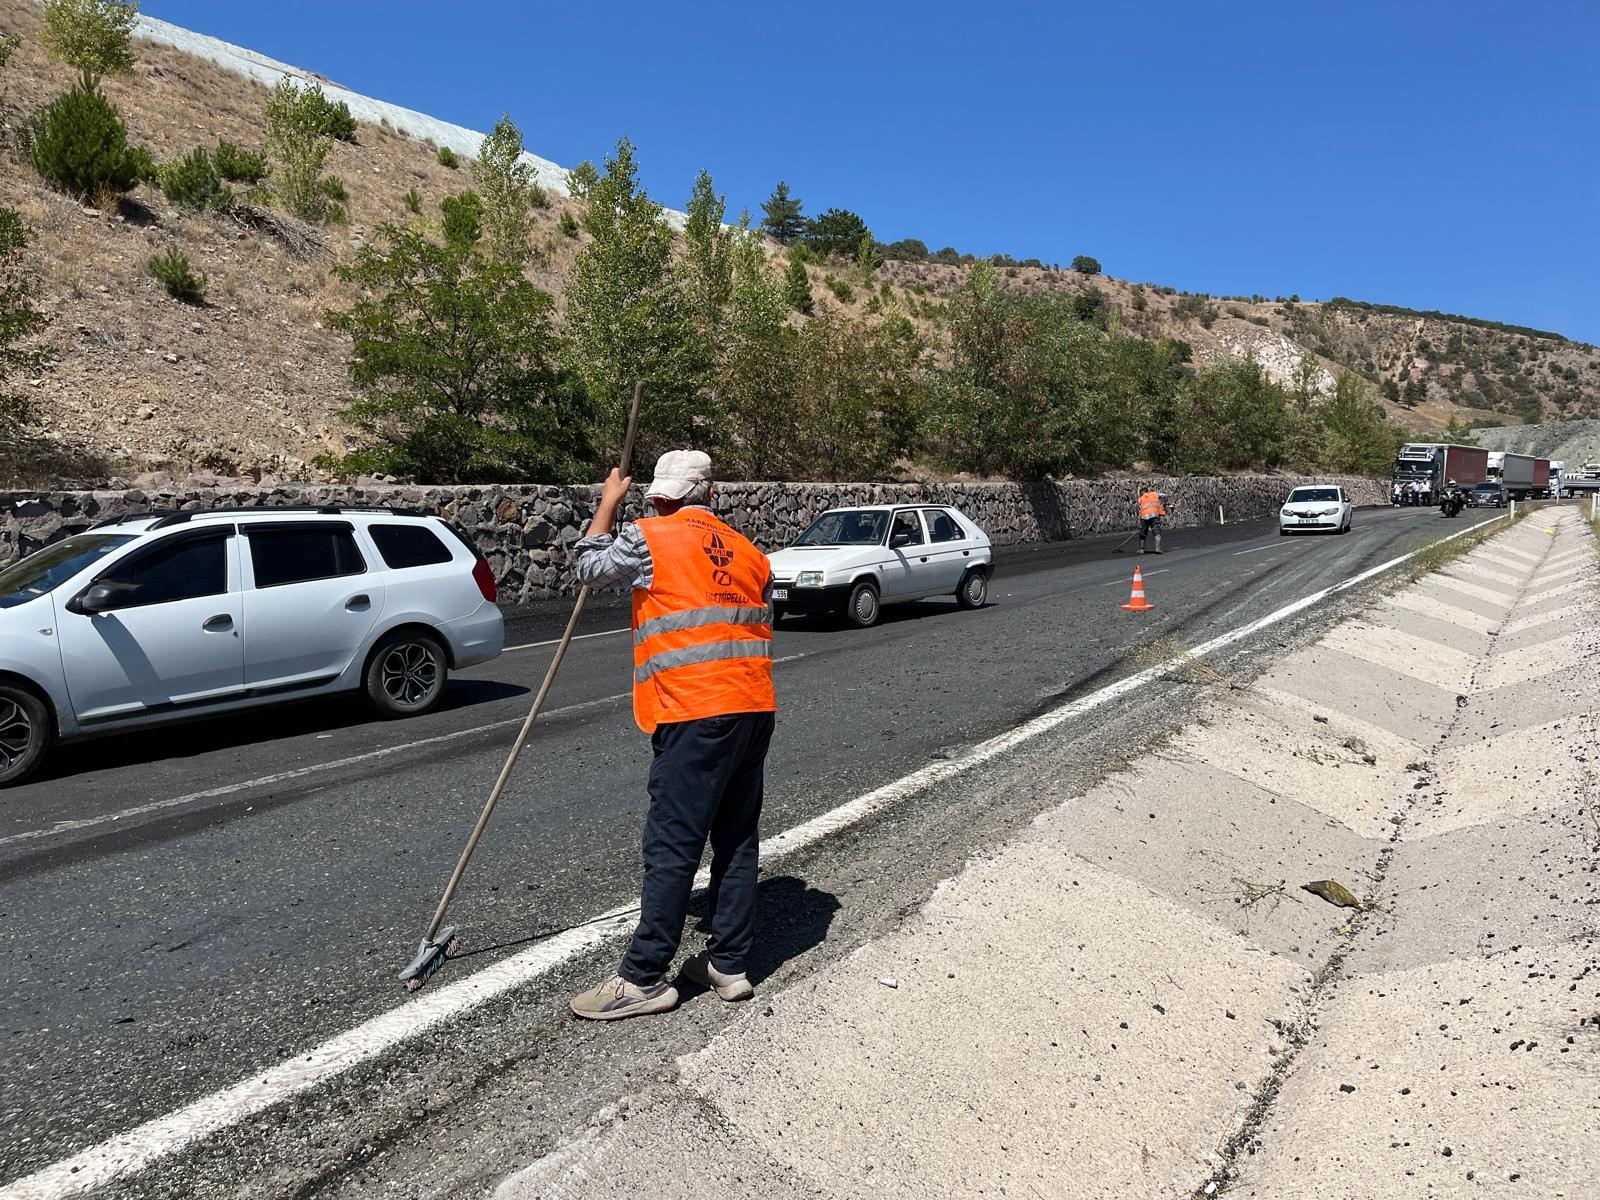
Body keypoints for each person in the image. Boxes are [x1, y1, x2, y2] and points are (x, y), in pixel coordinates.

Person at [567, 450, 777, 1021]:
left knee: (672, 845)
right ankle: (728, 963)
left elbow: (586, 568)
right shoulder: (751, 554)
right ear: (710, 494)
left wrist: (607, 503)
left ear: (660, 497)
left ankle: (643, 978)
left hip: (693, 713)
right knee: (736, 838)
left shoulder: (649, 537)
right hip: (753, 708)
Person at [1136, 487, 1166, 554]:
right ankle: (1157, 549)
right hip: (1154, 515)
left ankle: (1141, 549)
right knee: (1157, 532)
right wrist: (1163, 503)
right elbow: (1164, 495)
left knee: (1142, 533)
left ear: (1141, 493)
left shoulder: (1140, 499)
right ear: (1147, 491)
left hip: (1144, 516)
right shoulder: (1154, 494)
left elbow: (1140, 509)